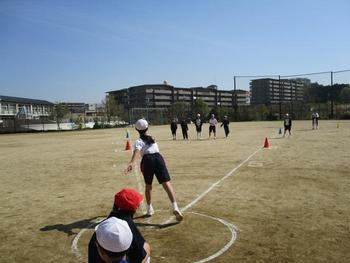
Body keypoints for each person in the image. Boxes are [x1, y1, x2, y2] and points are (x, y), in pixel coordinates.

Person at [126, 119, 183, 221]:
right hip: (158, 158)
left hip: (147, 161)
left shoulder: (139, 141)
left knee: (149, 185)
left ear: (136, 130)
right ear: (147, 128)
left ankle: (149, 209)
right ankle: (175, 207)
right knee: (166, 183)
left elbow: (137, 152)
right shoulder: (152, 138)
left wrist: (131, 162)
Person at [89, 188, 151, 263]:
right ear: (134, 209)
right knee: (146, 247)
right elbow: (140, 253)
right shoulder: (127, 224)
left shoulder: (103, 227)